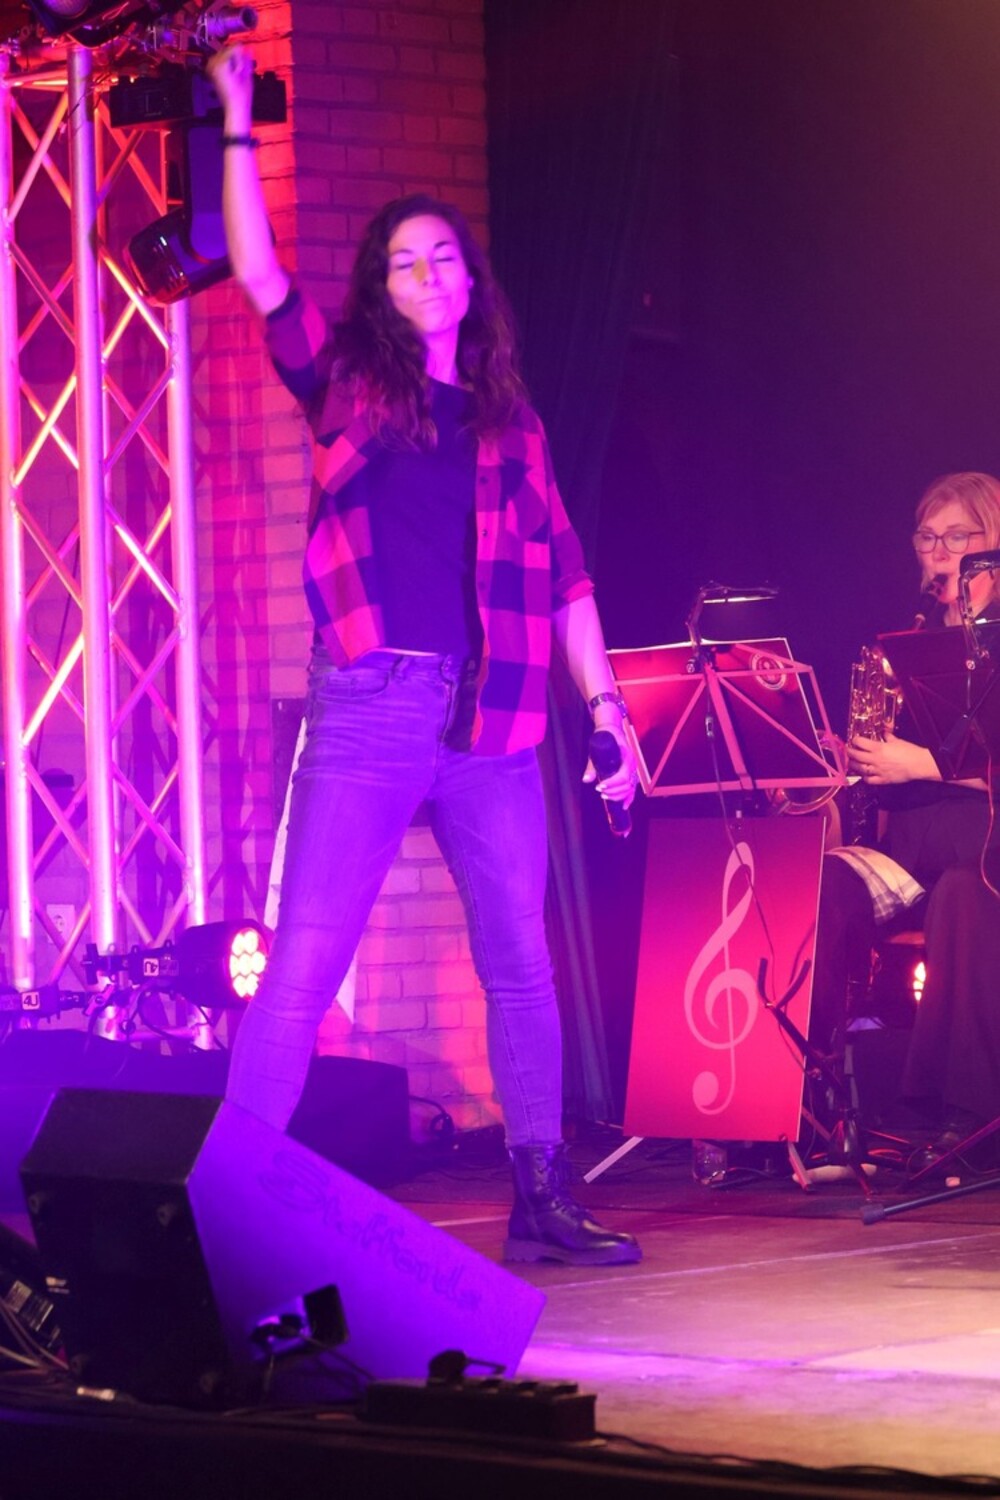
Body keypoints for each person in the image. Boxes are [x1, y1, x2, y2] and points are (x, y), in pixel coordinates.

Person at [206, 45, 641, 1266]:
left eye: (443, 255)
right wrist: (236, 117)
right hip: (371, 702)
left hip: (494, 723)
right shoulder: (349, 383)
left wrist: (609, 712)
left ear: (468, 279)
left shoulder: (512, 422)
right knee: (303, 964)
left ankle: (541, 1194)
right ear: (382, 288)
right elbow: (259, 274)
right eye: (404, 261)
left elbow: (566, 577)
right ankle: (224, 1199)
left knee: (522, 966)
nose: (427, 273)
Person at [810, 472, 1000, 1163]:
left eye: (957, 538)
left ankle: (961, 1115)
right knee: (817, 885)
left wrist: (922, 764)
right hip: (909, 849)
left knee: (962, 893)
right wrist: (845, 762)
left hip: (986, 845)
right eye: (927, 538)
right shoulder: (904, 644)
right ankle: (803, 1108)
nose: (939, 554)